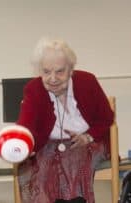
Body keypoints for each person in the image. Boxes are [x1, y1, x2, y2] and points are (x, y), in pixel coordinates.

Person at [16, 37, 114, 203]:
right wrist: (23, 144)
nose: (53, 78)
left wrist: (88, 136)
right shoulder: (33, 89)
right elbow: (26, 126)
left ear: (71, 69)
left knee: (73, 160)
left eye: (60, 71)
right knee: (42, 169)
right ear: (39, 70)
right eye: (46, 72)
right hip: (48, 144)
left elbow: (106, 117)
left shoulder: (87, 82)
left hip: (90, 141)